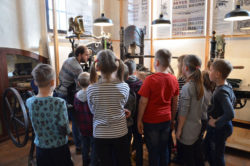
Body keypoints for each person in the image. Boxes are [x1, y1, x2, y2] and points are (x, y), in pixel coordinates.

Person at [87, 50, 130, 166]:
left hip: (100, 134)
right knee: (122, 162)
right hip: (120, 133)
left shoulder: (91, 89)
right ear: (115, 66)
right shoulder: (124, 86)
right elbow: (121, 104)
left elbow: (93, 110)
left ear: (98, 67)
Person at [137, 49, 179, 166]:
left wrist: (139, 120)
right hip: (166, 119)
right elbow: (175, 102)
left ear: (156, 62)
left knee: (153, 150)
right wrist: (172, 119)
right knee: (164, 148)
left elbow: (143, 102)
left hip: (151, 121)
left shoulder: (150, 79)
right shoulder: (173, 79)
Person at [26, 64, 73, 166]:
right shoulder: (59, 102)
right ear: (52, 82)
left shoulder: (29, 102)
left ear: (35, 82)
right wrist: (69, 131)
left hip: (41, 147)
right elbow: (64, 127)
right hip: (59, 147)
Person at [56, 45, 90, 153]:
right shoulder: (77, 68)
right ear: (79, 55)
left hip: (59, 91)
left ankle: (70, 141)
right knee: (77, 121)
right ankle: (79, 146)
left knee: (68, 119)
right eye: (86, 54)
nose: (88, 57)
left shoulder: (69, 59)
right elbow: (80, 87)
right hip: (67, 95)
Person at [205, 59, 235, 166]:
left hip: (219, 129)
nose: (209, 72)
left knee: (217, 156)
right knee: (207, 150)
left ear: (217, 74)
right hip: (221, 127)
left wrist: (216, 122)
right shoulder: (227, 85)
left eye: (211, 70)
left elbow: (230, 113)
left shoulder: (221, 92)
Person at [176, 55, 205, 166]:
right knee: (196, 155)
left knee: (187, 158)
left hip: (187, 129)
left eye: (182, 65)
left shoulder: (187, 87)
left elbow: (183, 112)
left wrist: (179, 129)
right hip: (197, 125)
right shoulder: (199, 84)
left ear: (186, 68)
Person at [74, 72, 97, 166]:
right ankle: (93, 163)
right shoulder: (93, 95)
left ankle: (85, 162)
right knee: (94, 146)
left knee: (85, 146)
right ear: (91, 82)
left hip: (82, 127)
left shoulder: (76, 96)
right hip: (93, 126)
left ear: (78, 83)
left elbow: (76, 110)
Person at [124, 59, 143, 166]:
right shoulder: (141, 83)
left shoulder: (122, 84)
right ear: (135, 70)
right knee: (138, 139)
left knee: (126, 141)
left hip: (126, 117)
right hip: (138, 116)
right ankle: (139, 162)